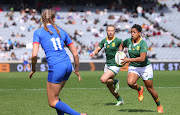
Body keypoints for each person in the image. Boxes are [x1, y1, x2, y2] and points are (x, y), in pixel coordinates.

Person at [28, 9, 87, 115]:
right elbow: (75, 54)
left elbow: (34, 55)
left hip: (56, 67)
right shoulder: (62, 31)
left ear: (42, 19)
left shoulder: (38, 32)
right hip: (68, 66)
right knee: (56, 97)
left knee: (52, 101)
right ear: (54, 19)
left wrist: (33, 69)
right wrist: (76, 69)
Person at [119, 24, 163, 113]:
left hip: (145, 67)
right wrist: (120, 53)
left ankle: (159, 105)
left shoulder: (143, 44)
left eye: (134, 32)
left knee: (150, 89)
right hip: (134, 66)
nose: (132, 34)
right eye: (131, 32)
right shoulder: (128, 41)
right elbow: (121, 45)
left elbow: (142, 58)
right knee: (130, 83)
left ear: (139, 33)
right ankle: (139, 89)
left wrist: (128, 59)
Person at [90, 25, 124, 106]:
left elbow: (125, 44)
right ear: (106, 31)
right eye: (109, 30)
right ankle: (119, 99)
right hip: (107, 65)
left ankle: (116, 81)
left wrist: (121, 53)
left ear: (114, 31)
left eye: (112, 30)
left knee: (103, 79)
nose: (110, 32)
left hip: (115, 65)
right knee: (109, 85)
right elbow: (98, 48)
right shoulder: (104, 41)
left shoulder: (118, 40)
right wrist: (94, 52)